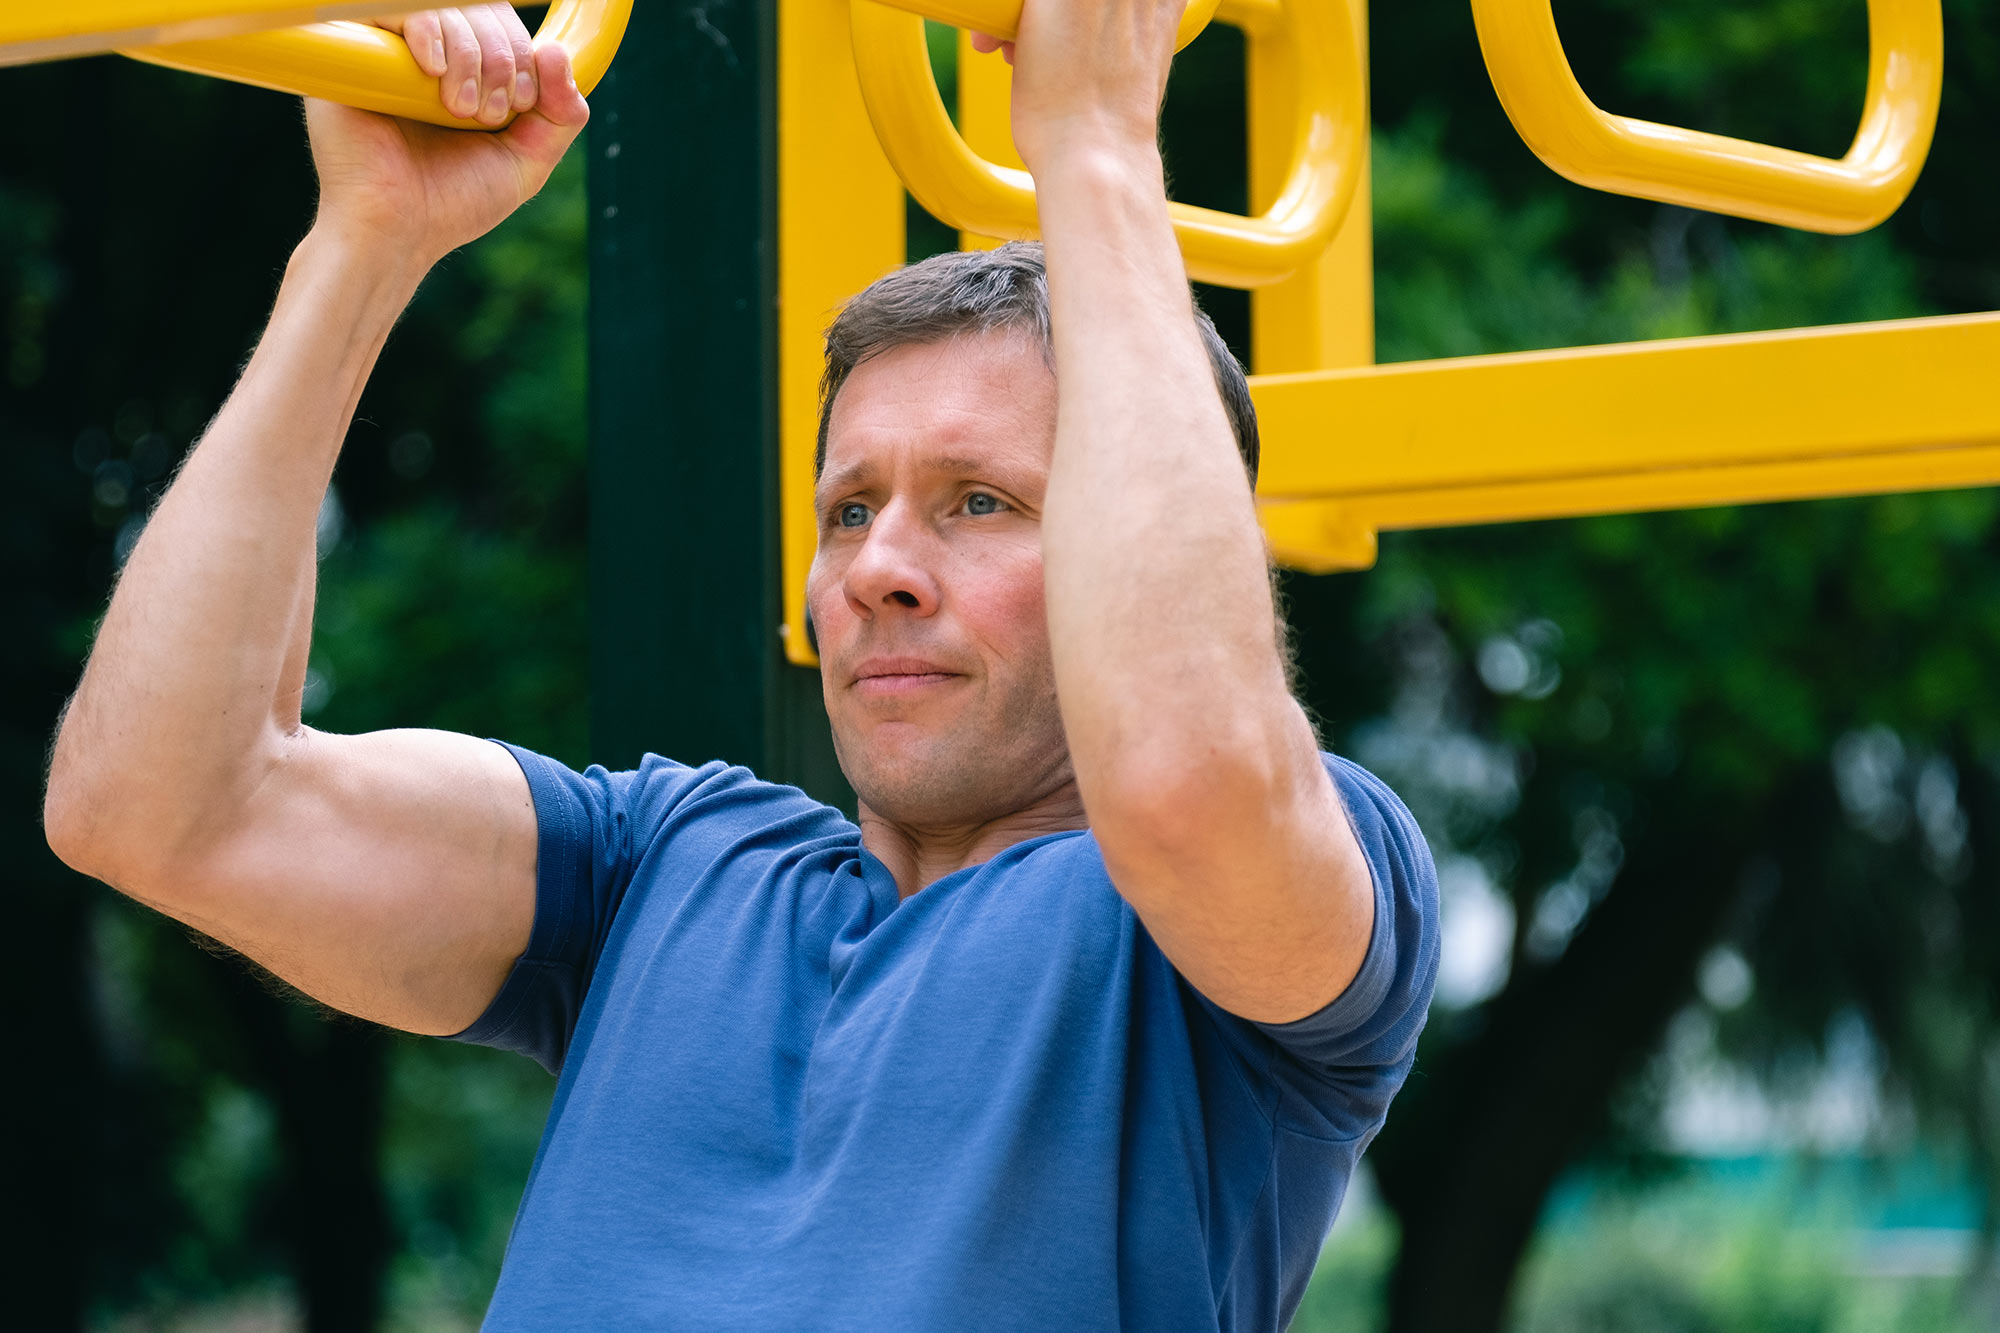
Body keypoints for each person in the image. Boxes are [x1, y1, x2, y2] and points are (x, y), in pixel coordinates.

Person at [44, 2, 1438, 1328]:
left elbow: (1189, 773)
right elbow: (162, 806)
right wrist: (361, 247)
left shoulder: (1245, 913)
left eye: (981, 502)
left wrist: (1093, 148)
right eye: (849, 508)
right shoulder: (663, 864)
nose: (878, 566)